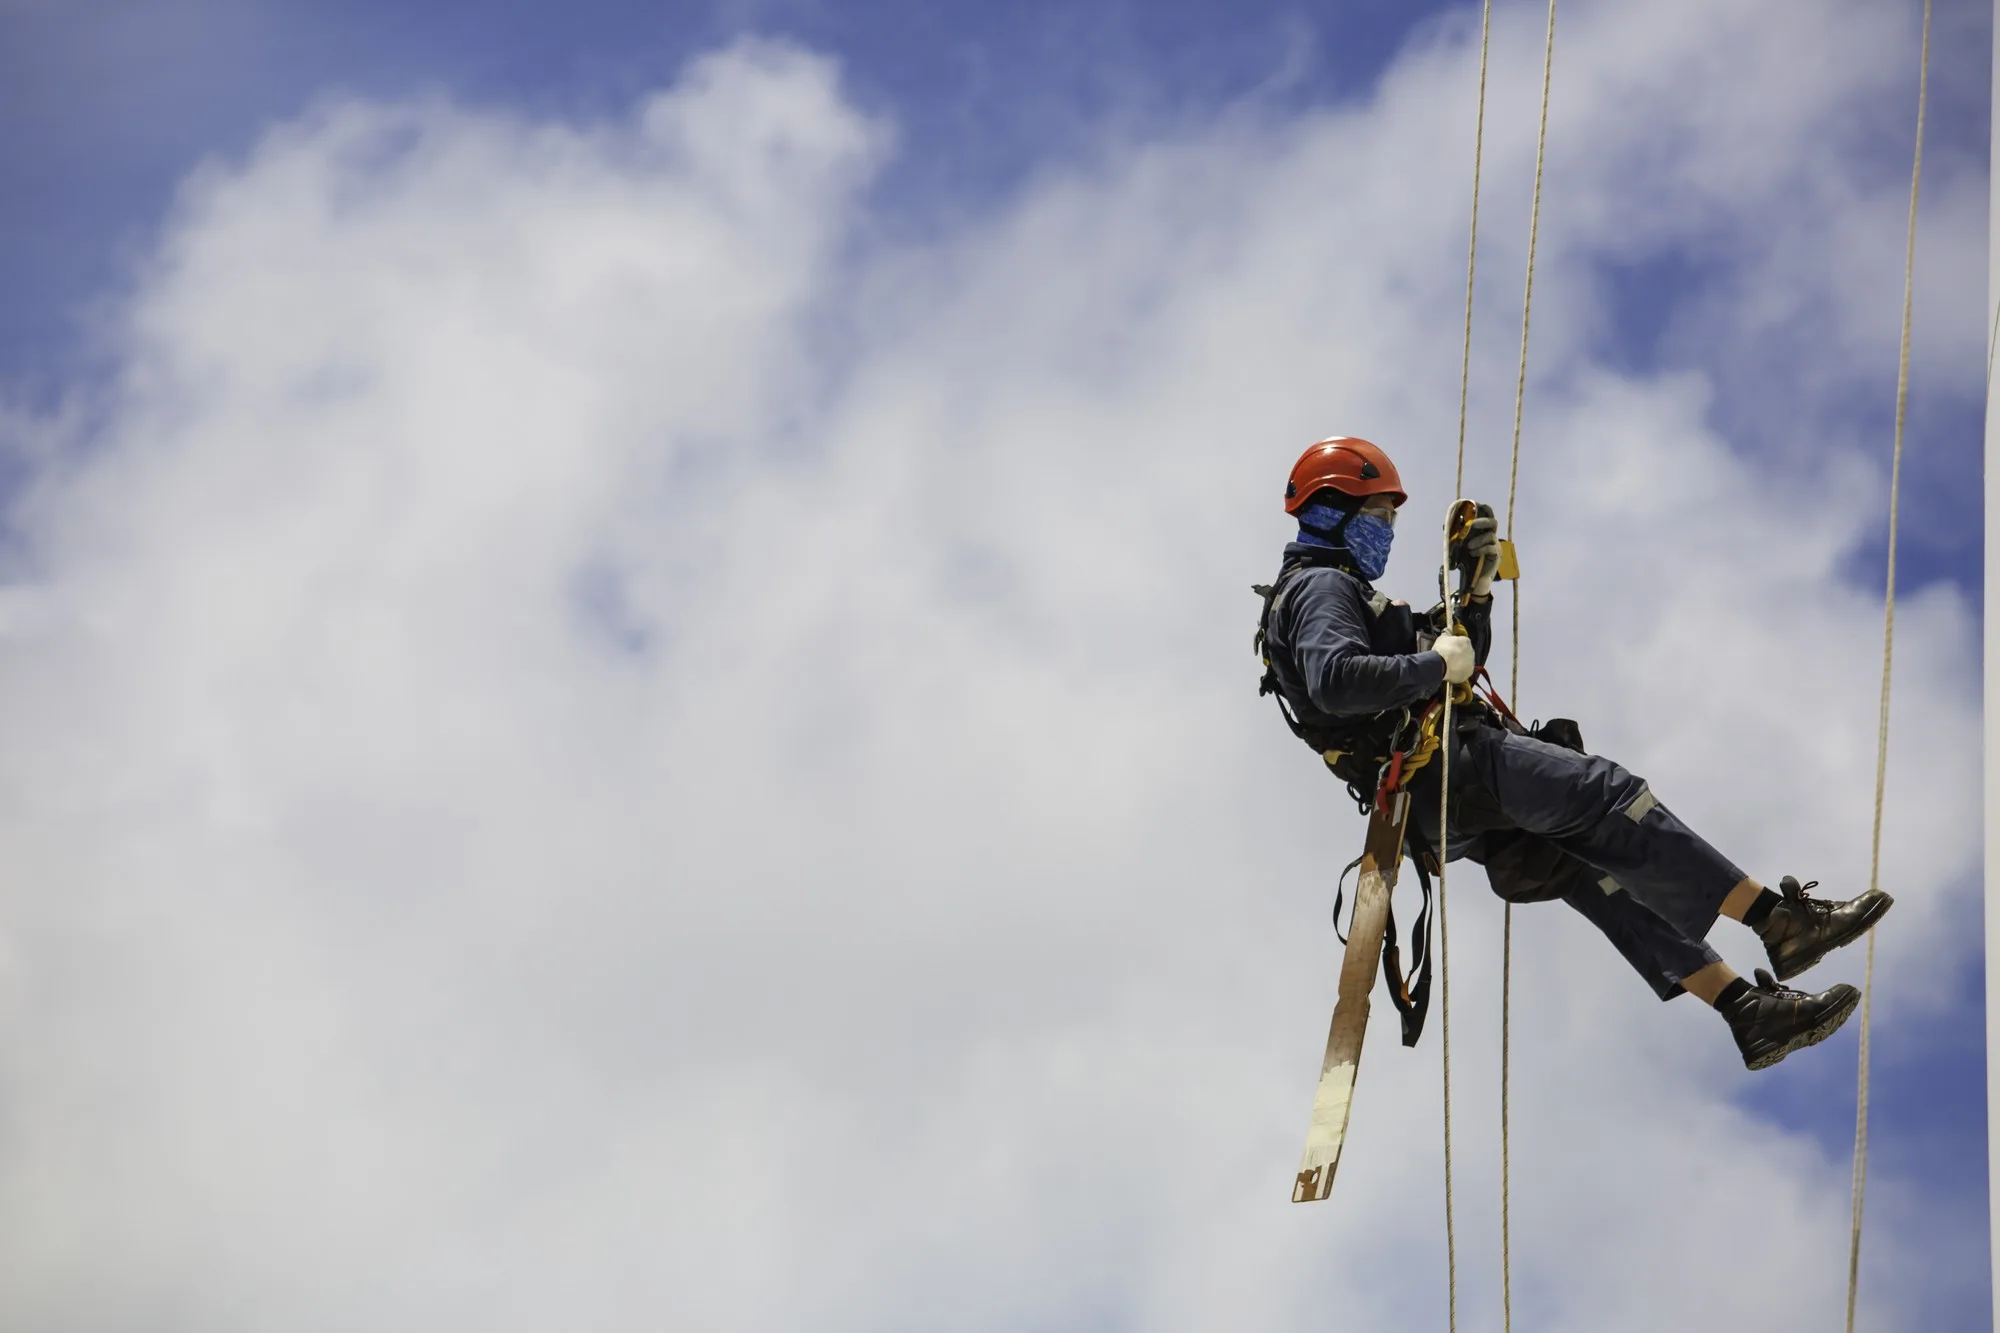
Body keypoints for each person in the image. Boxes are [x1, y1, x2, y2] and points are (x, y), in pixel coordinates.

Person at [1255, 436, 1893, 1071]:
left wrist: (1476, 593)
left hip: (1433, 800)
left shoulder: (1338, 594)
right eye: (1377, 515)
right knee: (1607, 796)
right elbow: (1337, 680)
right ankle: (1779, 922)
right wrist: (1433, 665)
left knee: (1599, 871)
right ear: (1330, 510)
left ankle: (1746, 1011)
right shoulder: (1321, 587)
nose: (1386, 532)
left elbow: (1455, 664)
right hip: (1447, 767)